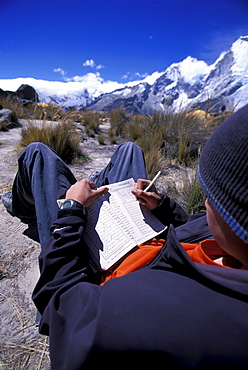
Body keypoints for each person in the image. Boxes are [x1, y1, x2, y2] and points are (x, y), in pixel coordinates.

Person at [1, 104, 248, 369]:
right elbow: (190, 225)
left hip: (95, 261)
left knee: (37, 156)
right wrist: (162, 206)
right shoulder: (233, 247)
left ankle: (18, 203)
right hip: (143, 232)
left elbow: (65, 309)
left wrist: (72, 212)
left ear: (235, 219)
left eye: (213, 197)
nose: (206, 202)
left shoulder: (175, 322)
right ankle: (83, 186)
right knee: (130, 149)